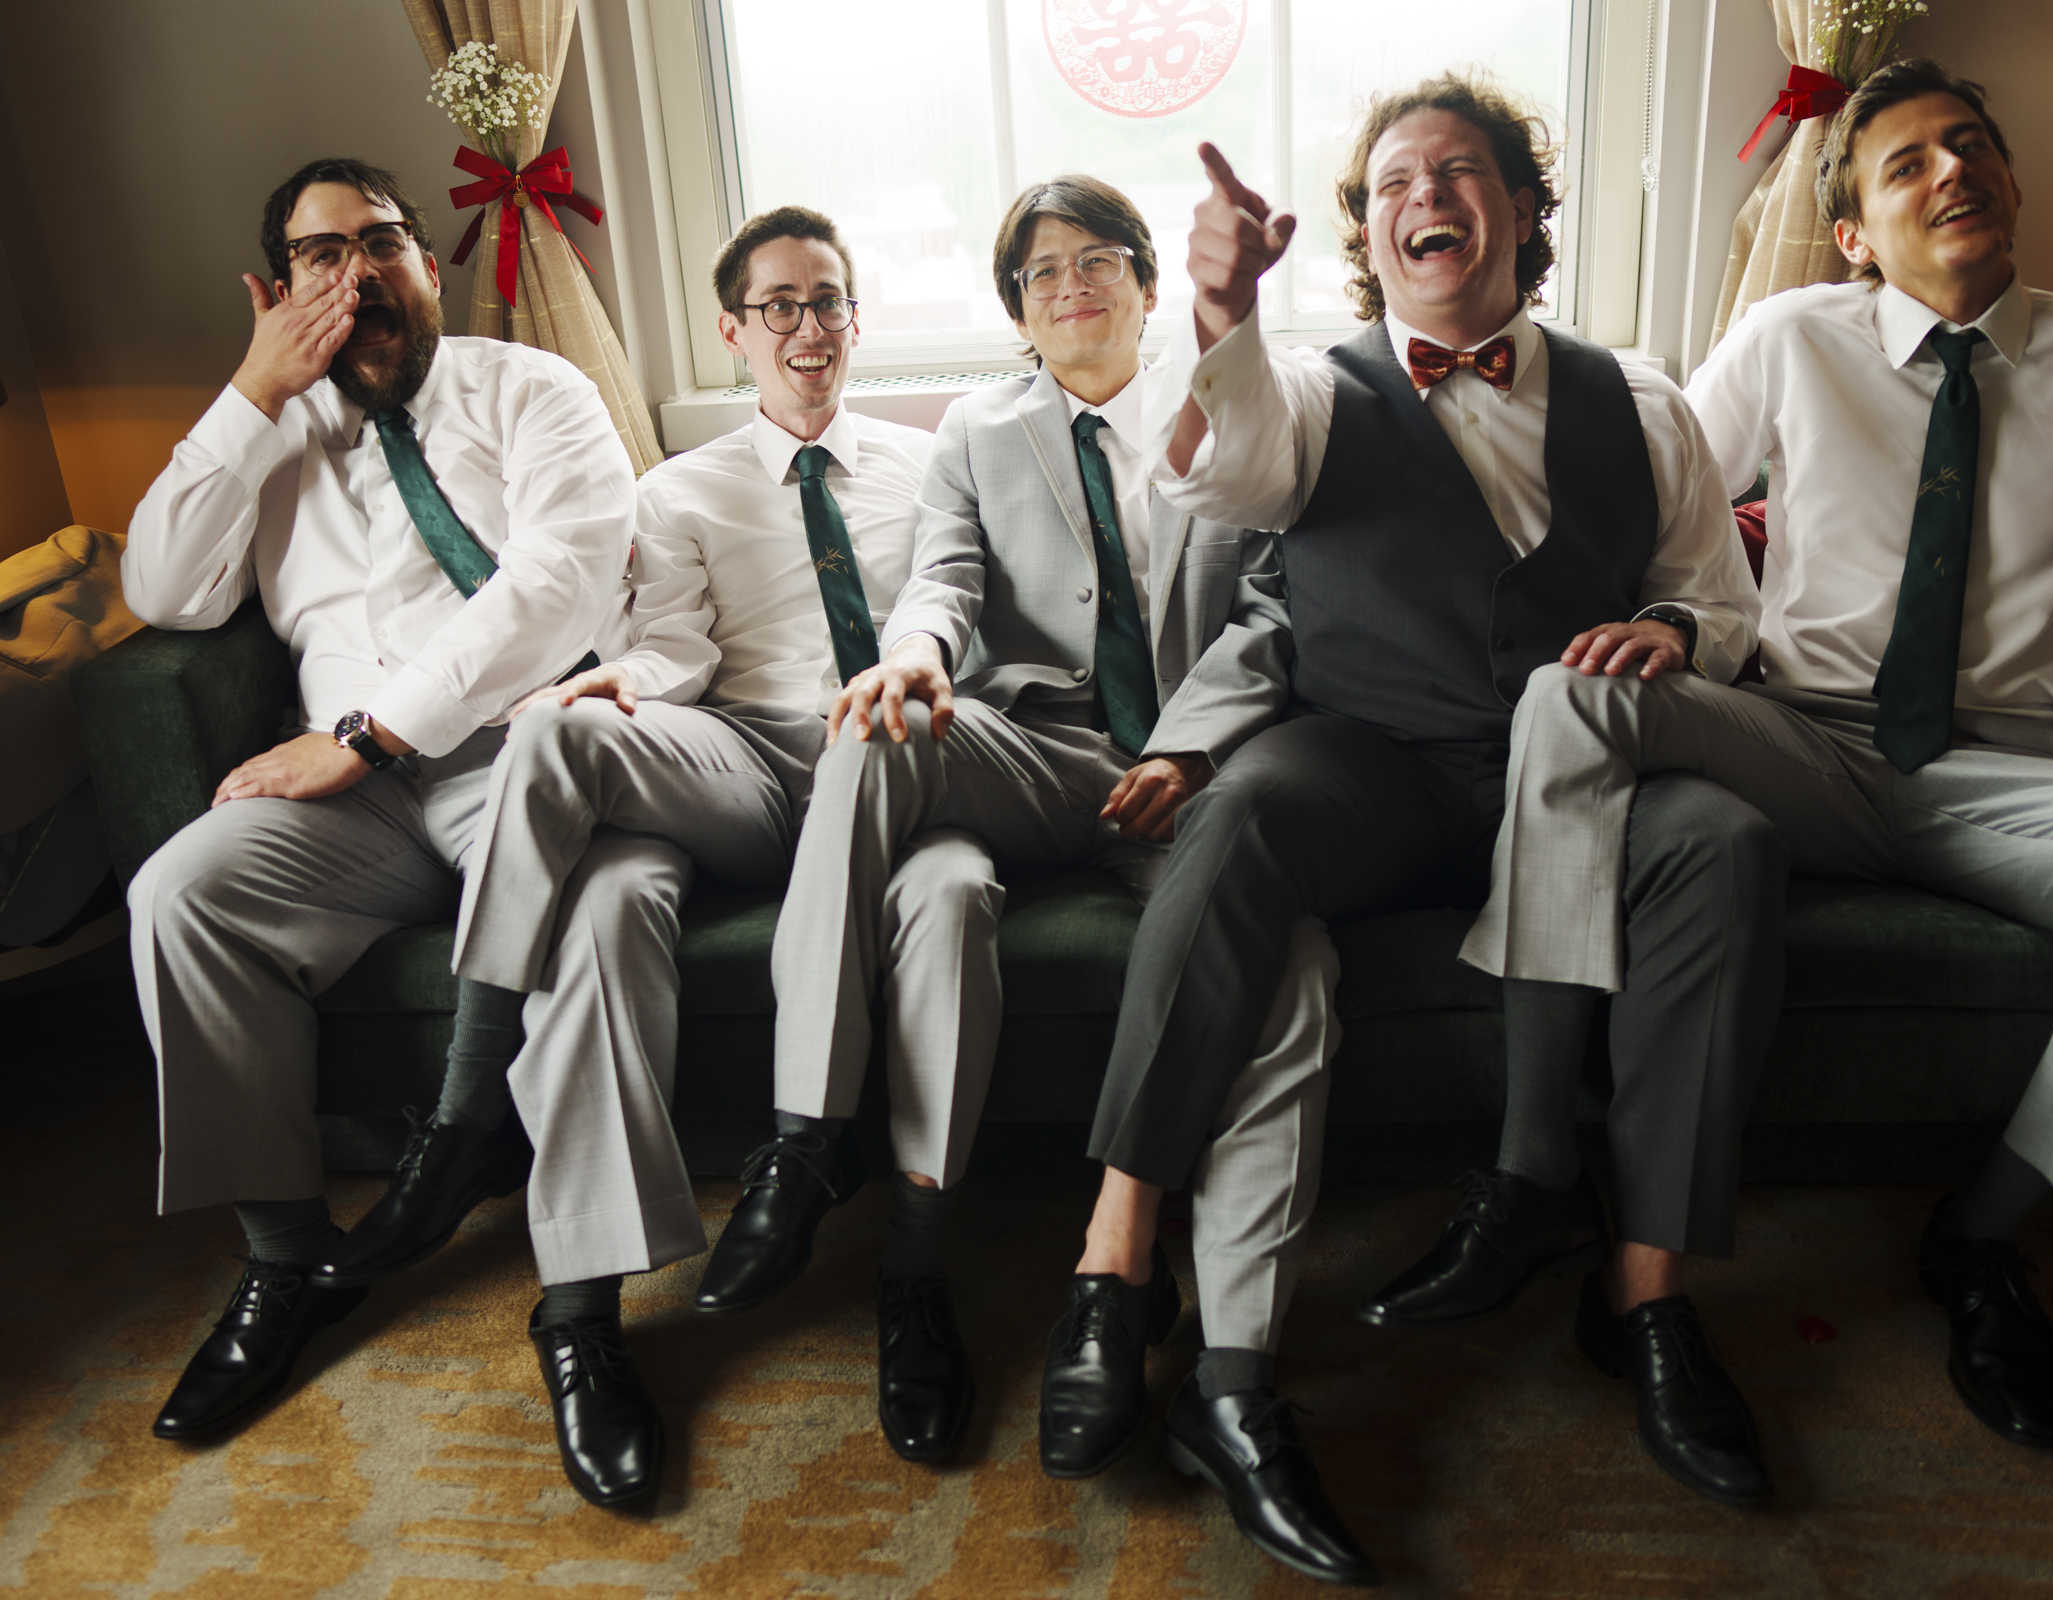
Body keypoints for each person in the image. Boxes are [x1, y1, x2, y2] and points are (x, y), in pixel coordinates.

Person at [1471, 58, 2053, 1452]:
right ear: (1853, 235)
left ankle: (1984, 1237)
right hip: (1798, 738)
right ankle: (1537, 1164)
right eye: (1905, 165)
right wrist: (1671, 621)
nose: (1948, 173)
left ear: (2014, 180)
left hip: (2016, 771)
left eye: (1968, 147)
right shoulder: (1791, 338)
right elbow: (1668, 522)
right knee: (1572, 696)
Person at [1082, 68, 1784, 1551]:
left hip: (1587, 786)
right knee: (1252, 806)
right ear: (1364, 233)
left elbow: (1715, 601)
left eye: (1458, 172)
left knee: (1723, 843)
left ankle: (1643, 1297)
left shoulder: (1640, 395)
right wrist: (1217, 315)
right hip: (1381, 770)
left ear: (1524, 213)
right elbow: (1231, 469)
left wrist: (1674, 633)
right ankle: (1117, 1256)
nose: (1425, 198)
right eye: (1394, 182)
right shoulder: (1319, 394)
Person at [695, 177, 1342, 1497]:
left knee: (1299, 965)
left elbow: (1280, 605)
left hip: (1193, 769)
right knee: (870, 728)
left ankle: (1231, 1351)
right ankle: (809, 1135)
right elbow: (942, 578)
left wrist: (1194, 740)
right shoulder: (978, 431)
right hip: (1036, 753)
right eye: (1042, 276)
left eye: (1099, 261)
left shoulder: (1237, 408)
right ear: (1017, 316)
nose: (1072, 288)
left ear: (1150, 287)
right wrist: (918, 660)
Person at [304, 205, 951, 1508]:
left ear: (857, 319)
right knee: (549, 740)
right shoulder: (680, 487)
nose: (808, 328)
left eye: (827, 302)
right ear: (734, 331)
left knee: (609, 901)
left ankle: (583, 1289)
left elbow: (969, 613)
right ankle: (467, 1117)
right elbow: (679, 653)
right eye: (778, 306)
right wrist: (611, 689)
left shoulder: (937, 467)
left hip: (903, 755)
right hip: (751, 761)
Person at [125, 161, 630, 1468]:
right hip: (365, 812)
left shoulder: (535, 390)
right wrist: (250, 397)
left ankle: (581, 1309)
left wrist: (366, 732)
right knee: (180, 894)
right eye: (319, 257)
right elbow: (167, 590)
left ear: (428, 261)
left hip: (515, 750)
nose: (356, 274)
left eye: (381, 242)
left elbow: (559, 586)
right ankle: (287, 1262)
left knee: (585, 898)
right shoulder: (271, 438)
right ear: (276, 291)